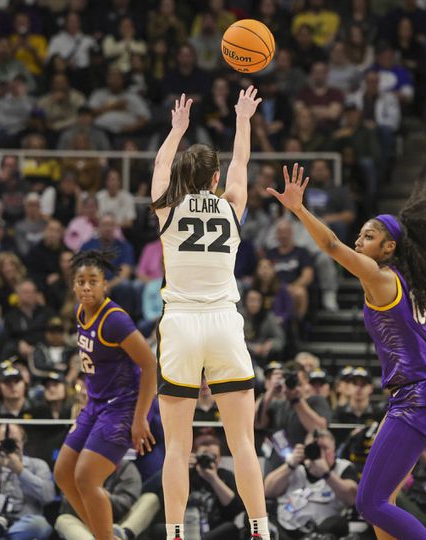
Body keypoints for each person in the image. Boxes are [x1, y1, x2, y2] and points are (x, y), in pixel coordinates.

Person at [268, 169, 426, 539]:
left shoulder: (379, 277)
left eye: (368, 236)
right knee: (385, 501)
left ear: (389, 247)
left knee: (369, 502)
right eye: (359, 235)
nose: (359, 242)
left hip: (417, 396)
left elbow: (330, 245)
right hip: (425, 393)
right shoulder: (413, 288)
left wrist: (299, 209)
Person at [150, 88, 271, 540]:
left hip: (180, 323)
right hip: (224, 321)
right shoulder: (231, 204)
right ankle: (260, 529)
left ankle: (176, 534)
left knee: (177, 447)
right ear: (215, 178)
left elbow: (160, 166)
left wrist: (175, 130)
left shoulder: (167, 207)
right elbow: (243, 165)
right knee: (243, 443)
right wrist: (243, 119)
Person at [53, 250, 159, 540]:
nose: (86, 287)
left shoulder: (115, 320)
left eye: (93, 281)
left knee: (86, 478)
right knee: (63, 473)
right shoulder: (79, 312)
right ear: (73, 286)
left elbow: (150, 365)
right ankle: (104, 535)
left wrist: (141, 419)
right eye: (80, 282)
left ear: (105, 284)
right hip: (97, 402)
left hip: (125, 404)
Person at [264, 428, 358, 540]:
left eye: (325, 448)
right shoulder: (295, 467)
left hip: (322, 532)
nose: (319, 453)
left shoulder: (343, 468)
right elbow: (267, 491)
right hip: (284, 529)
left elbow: (352, 498)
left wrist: (326, 474)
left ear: (334, 449)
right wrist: (290, 465)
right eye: (314, 448)